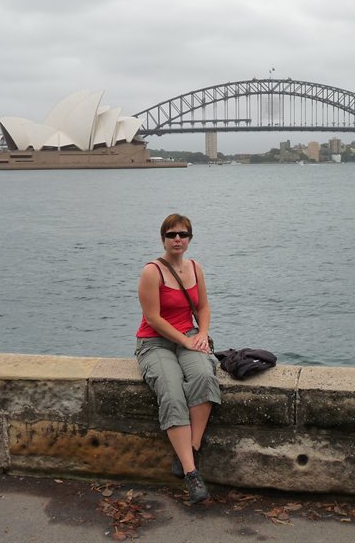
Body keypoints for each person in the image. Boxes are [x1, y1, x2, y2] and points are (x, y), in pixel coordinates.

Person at [135, 213, 221, 504]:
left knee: (204, 376)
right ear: (163, 238)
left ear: (190, 239)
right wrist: (186, 340)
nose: (177, 239)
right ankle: (191, 472)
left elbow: (204, 307)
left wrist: (202, 333)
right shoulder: (152, 272)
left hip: (188, 336)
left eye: (183, 234)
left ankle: (190, 447)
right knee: (171, 391)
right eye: (171, 234)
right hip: (155, 342)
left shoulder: (196, 268)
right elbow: (153, 318)